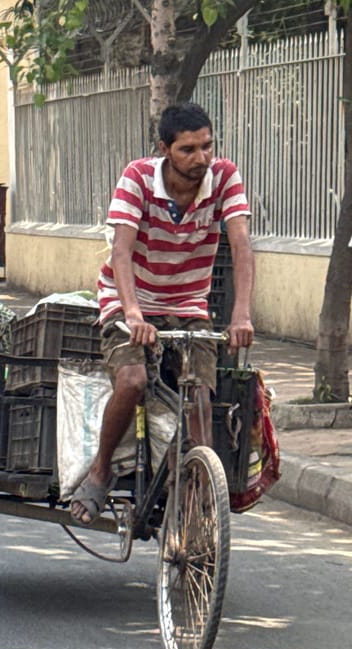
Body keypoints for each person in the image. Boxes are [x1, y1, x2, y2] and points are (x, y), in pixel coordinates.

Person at [70, 102, 255, 526]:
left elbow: (242, 245)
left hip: (189, 306)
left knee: (201, 398)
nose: (201, 159)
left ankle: (195, 493)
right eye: (188, 149)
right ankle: (100, 470)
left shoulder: (225, 177)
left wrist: (241, 315)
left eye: (207, 147)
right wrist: (133, 315)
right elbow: (121, 251)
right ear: (164, 149)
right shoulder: (138, 178)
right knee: (133, 380)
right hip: (129, 300)